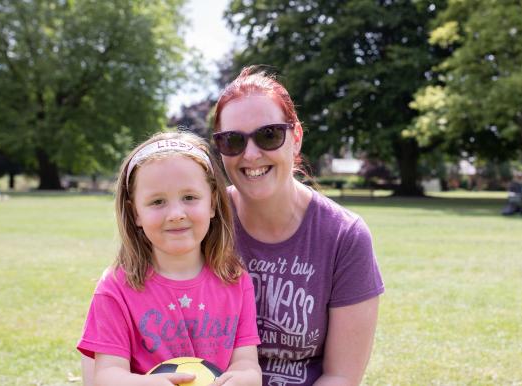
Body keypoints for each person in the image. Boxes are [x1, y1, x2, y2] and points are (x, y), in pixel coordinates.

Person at [211, 67, 385, 385]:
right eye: (232, 140)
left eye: (268, 135)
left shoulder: (344, 236)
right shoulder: (204, 223)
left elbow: (340, 376)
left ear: (296, 138)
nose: (250, 154)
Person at [78, 131, 262, 386]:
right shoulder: (116, 288)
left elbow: (247, 364)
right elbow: (106, 377)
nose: (176, 213)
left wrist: (242, 379)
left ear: (212, 203)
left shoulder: (234, 280)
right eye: (157, 201)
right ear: (135, 214)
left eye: (189, 197)